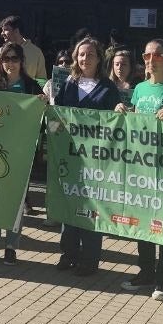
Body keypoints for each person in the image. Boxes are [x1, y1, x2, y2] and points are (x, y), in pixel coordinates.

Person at [117, 40, 163, 300]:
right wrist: (124, 112)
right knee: (143, 223)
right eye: (147, 54)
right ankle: (146, 272)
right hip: (142, 167)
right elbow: (136, 123)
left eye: (158, 54)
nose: (151, 59)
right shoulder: (138, 88)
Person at [53, 37, 120, 276]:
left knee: (92, 209)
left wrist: (119, 111)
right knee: (70, 204)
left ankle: (89, 260)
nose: (85, 59)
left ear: (99, 58)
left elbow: (117, 122)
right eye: (81, 54)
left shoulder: (108, 88)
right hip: (71, 158)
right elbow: (56, 114)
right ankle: (68, 254)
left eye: (90, 54)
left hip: (97, 161)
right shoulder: (69, 83)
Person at [0, 42, 48, 265]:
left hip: (21, 151)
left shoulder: (31, 87)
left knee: (16, 202)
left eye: (14, 59)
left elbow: (42, 119)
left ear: (22, 61)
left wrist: (42, 104)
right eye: (6, 59)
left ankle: (11, 246)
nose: (10, 63)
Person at [0, 15, 47, 80]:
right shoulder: (1, 50)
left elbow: (41, 80)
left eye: (6, 29)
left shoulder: (36, 52)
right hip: (4, 89)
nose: (2, 33)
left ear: (16, 31)